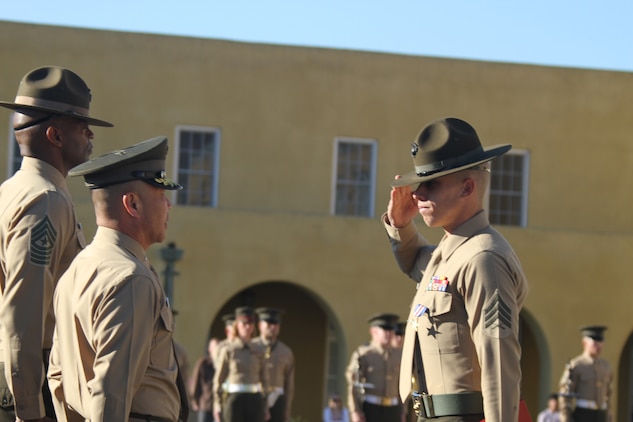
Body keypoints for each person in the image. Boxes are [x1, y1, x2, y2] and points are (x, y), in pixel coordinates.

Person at [383, 117, 528, 421]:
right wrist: (400, 225)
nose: (417, 194)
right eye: (419, 183)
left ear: (467, 188)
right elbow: (415, 262)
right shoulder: (451, 251)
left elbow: (499, 365)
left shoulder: (483, 257)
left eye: (431, 184)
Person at [46, 136, 189, 421]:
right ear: (132, 204)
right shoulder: (131, 278)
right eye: (160, 194)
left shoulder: (77, 269)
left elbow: (58, 376)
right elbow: (111, 390)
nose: (168, 205)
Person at [0, 65, 112, 422]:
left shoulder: (10, 192)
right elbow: (24, 313)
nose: (90, 134)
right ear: (56, 136)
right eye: (82, 126)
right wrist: (29, 411)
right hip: (35, 379)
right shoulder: (44, 201)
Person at [213, 306, 269, 422]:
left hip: (255, 400)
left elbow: (265, 379)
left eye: (250, 323)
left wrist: (266, 406)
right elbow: (218, 380)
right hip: (235, 399)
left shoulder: (259, 350)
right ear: (237, 325)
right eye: (244, 323)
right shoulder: (229, 350)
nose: (247, 327)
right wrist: (217, 405)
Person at [345, 313, 402, 422]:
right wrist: (355, 411)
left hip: (393, 409)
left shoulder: (398, 355)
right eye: (384, 330)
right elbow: (353, 384)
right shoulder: (364, 354)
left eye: (390, 330)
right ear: (373, 331)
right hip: (371, 408)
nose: (388, 334)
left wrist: (403, 412)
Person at [558, 326, 613, 422]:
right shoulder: (576, 365)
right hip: (583, 414)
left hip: (601, 414)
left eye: (600, 343)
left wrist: (609, 417)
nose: (598, 346)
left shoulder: (606, 366)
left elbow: (609, 394)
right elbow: (565, 395)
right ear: (584, 343)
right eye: (595, 343)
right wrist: (565, 418)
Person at [253, 307, 295, 422]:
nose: (273, 327)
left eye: (276, 323)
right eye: (269, 323)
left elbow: (289, 384)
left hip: (277, 398)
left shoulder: (285, 351)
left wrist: (287, 408)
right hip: (255, 397)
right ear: (260, 325)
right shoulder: (251, 347)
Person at [190, 338, 220, 422]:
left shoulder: (222, 363)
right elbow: (195, 382)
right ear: (209, 349)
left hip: (218, 406)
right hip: (205, 405)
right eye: (215, 347)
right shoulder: (203, 363)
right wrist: (194, 400)